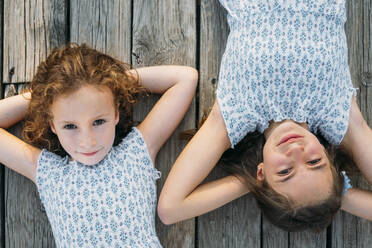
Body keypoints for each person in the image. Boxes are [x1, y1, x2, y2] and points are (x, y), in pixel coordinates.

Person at [158, 0, 372, 232]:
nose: (295, 152)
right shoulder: (338, 115)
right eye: (314, 162)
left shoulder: (238, 113)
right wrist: (331, 195)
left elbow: (170, 209)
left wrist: (255, 184)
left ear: (261, 172)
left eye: (284, 172)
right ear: (328, 157)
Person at [0, 43, 198, 247]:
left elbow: (185, 79)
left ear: (115, 114)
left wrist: (113, 83)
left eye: (98, 122)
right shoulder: (50, 173)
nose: (88, 141)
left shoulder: (136, 151)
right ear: (52, 125)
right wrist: (44, 97)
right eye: (70, 126)